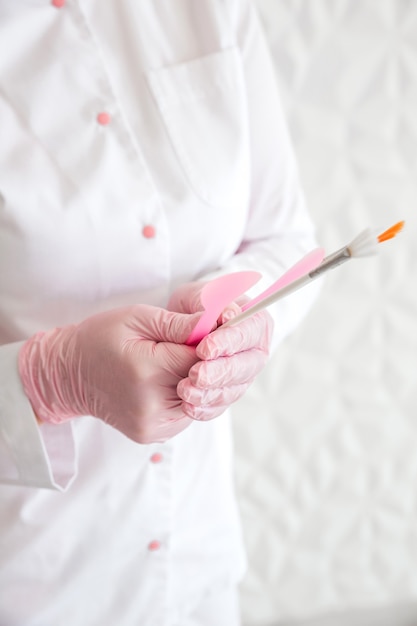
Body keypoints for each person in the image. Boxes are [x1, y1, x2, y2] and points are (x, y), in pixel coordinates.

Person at [0, 1, 319, 624]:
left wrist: (243, 314)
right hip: (31, 580)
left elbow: (287, 237)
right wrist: (49, 380)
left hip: (194, 560)